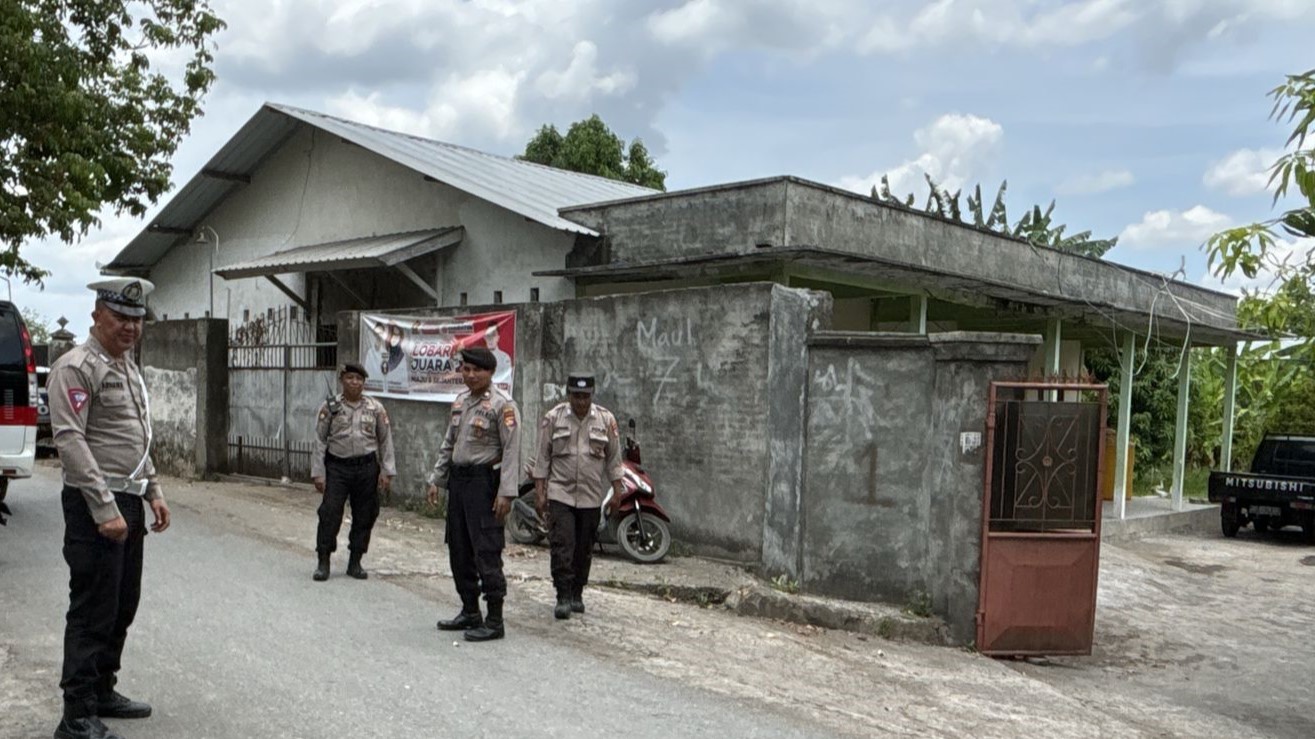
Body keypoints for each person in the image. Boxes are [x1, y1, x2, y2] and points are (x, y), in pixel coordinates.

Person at [47, 278, 171, 739]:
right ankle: (76, 714)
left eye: (137, 320)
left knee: (122, 604)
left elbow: (137, 438)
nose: (130, 327)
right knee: (92, 608)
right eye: (121, 317)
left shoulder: (127, 368)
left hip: (130, 500)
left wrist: (153, 490)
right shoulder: (75, 368)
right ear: (97, 313)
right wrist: (103, 508)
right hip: (94, 503)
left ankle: (101, 688)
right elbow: (70, 441)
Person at [426, 347, 520, 642]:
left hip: (484, 485)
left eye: (476, 370)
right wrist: (437, 479)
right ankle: (470, 610)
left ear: (490, 373)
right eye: (465, 369)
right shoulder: (460, 402)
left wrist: (506, 493)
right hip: (459, 482)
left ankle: (494, 620)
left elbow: (512, 452)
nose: (470, 375)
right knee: (459, 549)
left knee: (486, 551)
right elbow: (448, 443)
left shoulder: (503, 406)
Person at [532, 375, 623, 619]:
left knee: (583, 548)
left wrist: (617, 492)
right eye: (576, 396)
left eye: (585, 396)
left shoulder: (605, 420)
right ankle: (562, 595)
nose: (581, 402)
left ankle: (577, 592)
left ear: (592, 395)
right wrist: (540, 493)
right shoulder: (554, 418)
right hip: (560, 493)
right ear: (568, 394)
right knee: (562, 545)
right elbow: (542, 458)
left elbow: (614, 460)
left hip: (590, 497)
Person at [310, 362, 396, 581]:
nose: (354, 382)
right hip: (337, 468)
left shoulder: (375, 408)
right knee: (329, 513)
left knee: (365, 514)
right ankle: (323, 559)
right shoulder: (331, 406)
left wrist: (387, 471)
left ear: (364, 382)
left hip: (366, 468)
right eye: (350, 378)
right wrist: (318, 473)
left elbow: (385, 440)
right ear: (342, 380)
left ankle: (355, 561)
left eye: (359, 379)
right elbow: (320, 440)